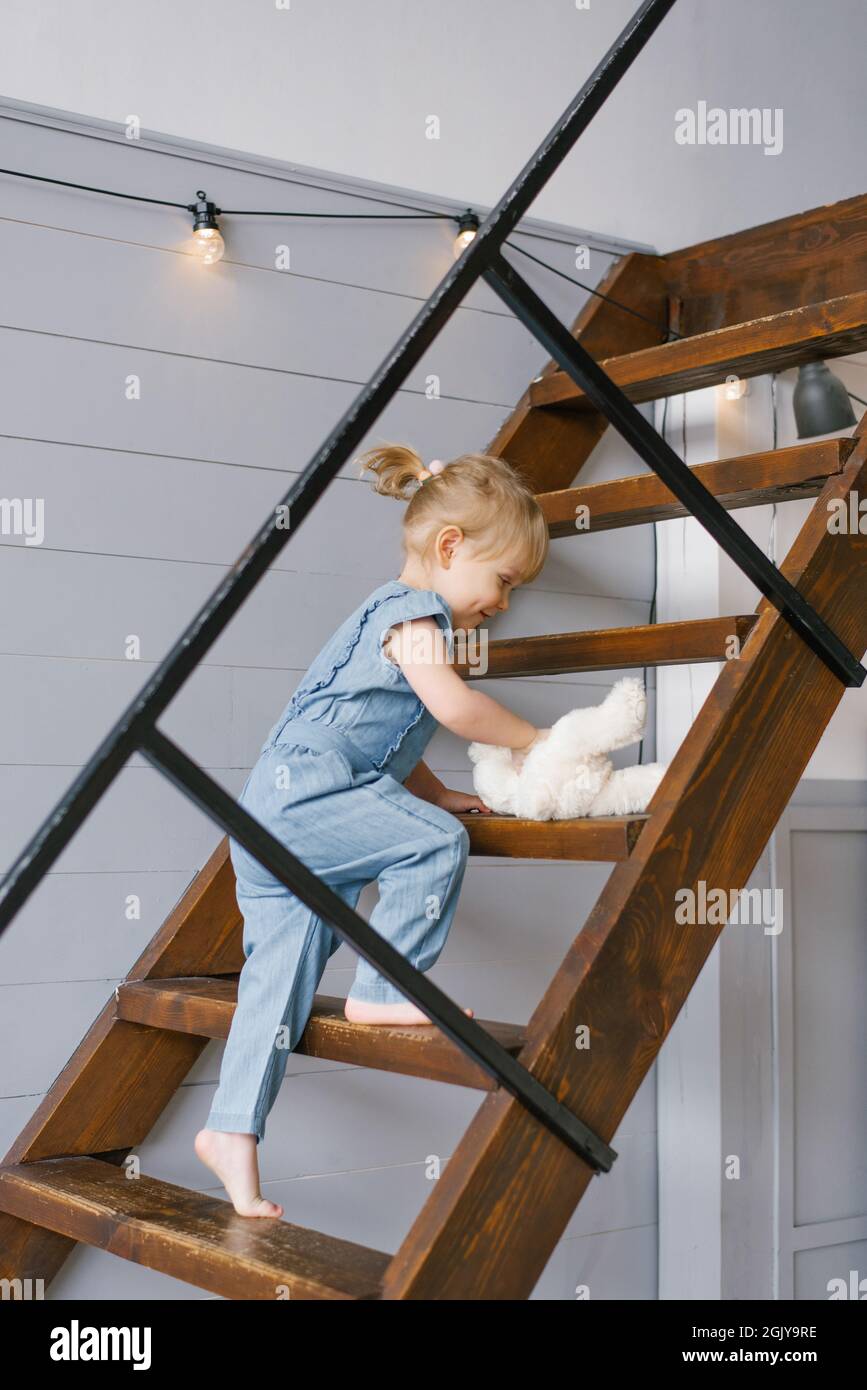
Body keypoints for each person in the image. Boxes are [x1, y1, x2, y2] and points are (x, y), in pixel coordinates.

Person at [195, 443, 551, 1216]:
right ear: (451, 547)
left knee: (276, 985)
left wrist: (438, 790)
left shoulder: (387, 619)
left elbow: (383, 735)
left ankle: (231, 1135)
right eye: (503, 583)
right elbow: (453, 710)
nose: (503, 603)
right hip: (305, 802)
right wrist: (534, 742)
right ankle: (384, 989)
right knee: (432, 843)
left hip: (271, 817)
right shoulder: (410, 614)